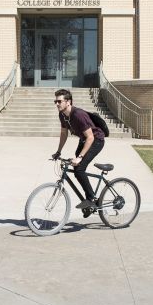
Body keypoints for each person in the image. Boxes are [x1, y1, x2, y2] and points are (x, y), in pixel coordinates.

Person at [52, 89, 105, 217]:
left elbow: (91, 137)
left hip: (96, 140)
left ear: (68, 102)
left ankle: (91, 199)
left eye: (59, 101)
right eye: (55, 101)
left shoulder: (78, 115)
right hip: (84, 140)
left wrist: (80, 157)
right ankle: (89, 202)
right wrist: (58, 152)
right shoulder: (62, 115)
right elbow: (64, 133)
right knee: (76, 169)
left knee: (80, 168)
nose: (57, 104)